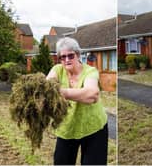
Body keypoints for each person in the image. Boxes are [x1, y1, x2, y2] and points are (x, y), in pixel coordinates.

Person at [46, 37, 108, 165]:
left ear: (78, 55)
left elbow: (92, 95)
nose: (67, 60)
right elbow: (46, 88)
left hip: (93, 127)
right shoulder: (57, 70)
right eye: (63, 57)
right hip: (67, 128)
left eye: (70, 55)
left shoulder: (90, 71)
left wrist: (61, 92)